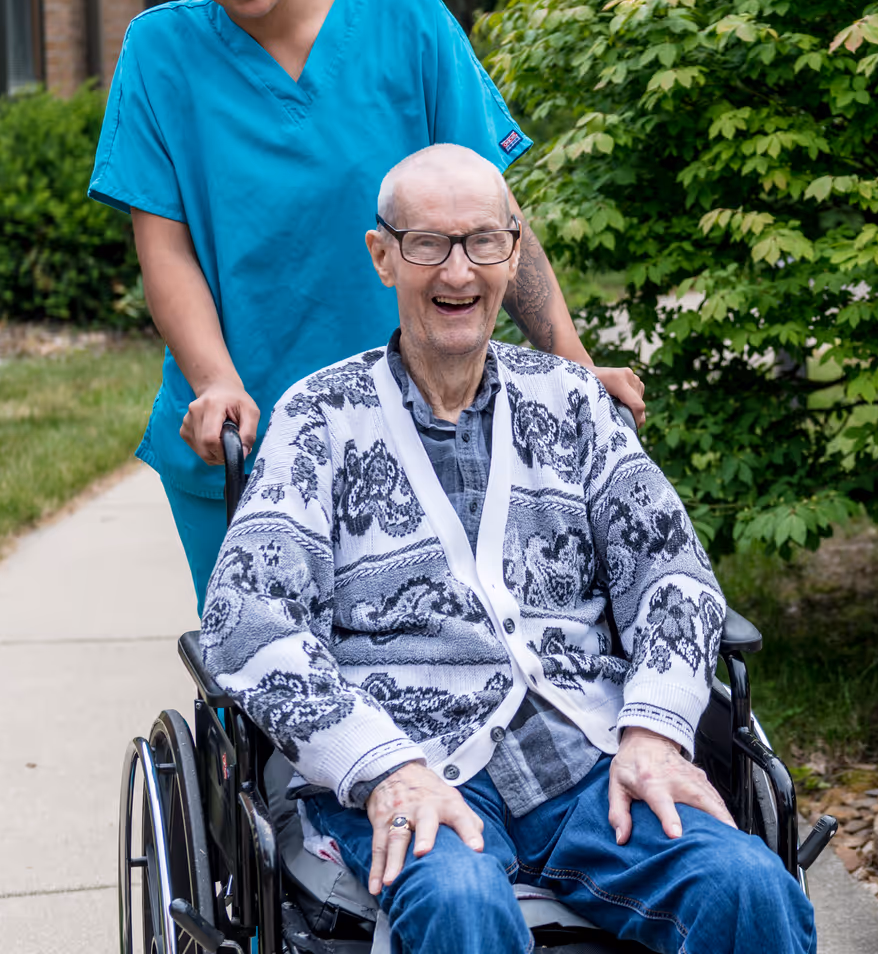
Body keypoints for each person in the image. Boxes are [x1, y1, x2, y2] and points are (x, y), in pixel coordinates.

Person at [199, 144, 815, 954]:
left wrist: (655, 732)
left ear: (514, 251)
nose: (459, 273)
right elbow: (247, 622)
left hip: (590, 762)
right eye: (428, 245)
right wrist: (382, 765)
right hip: (412, 763)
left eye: (482, 242)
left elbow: (673, 576)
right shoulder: (319, 419)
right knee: (458, 907)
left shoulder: (572, 403)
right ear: (383, 257)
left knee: (748, 888)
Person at [87, 0, 642, 609]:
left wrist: (571, 363)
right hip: (247, 444)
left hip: (430, 432)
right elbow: (166, 250)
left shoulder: (405, 19)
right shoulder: (160, 54)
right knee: (272, 697)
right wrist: (215, 384)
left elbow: (494, 217)